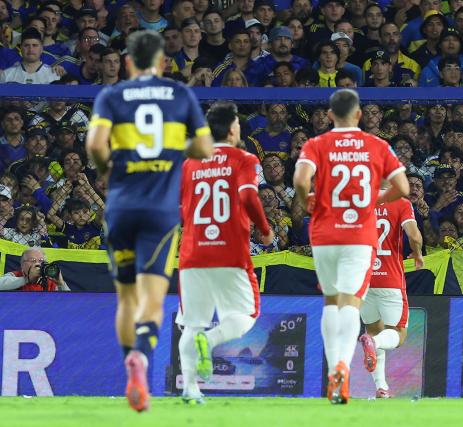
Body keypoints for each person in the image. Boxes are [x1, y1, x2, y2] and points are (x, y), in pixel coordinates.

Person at [85, 30, 214, 412]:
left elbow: (94, 145)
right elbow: (205, 148)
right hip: (160, 212)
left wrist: (110, 168)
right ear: (162, 62)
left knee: (126, 296)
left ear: (127, 63)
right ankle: (141, 354)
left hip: (121, 206)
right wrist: (172, 149)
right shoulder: (180, 95)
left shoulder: (111, 95)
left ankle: (131, 370)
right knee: (153, 296)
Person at [293, 89, 409, 404]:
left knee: (332, 301)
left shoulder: (316, 144)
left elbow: (301, 181)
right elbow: (402, 187)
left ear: (330, 115)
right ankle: (343, 367)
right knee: (350, 303)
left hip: (325, 232)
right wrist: (376, 199)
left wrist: (309, 204)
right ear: (359, 115)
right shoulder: (377, 145)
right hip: (358, 235)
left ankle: (335, 371)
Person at [177, 101, 274, 404]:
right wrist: (265, 228)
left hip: (193, 253)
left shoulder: (190, 162)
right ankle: (212, 339)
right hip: (230, 253)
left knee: (192, 323)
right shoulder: (244, 159)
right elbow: (247, 194)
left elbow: (182, 210)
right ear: (233, 129)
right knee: (245, 317)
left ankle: (190, 389)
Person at [358, 193, 423, 398]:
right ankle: (373, 343)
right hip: (390, 280)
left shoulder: (361, 201)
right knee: (398, 334)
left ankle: (381, 387)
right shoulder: (401, 203)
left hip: (364, 279)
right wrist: (418, 253)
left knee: (374, 330)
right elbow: (413, 235)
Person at [0, 247, 70, 291]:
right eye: (32, 260)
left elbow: (68, 303)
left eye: (41, 261)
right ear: (22, 264)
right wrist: (27, 279)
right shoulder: (15, 275)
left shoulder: (50, 281)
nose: (37, 264)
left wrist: (61, 284)